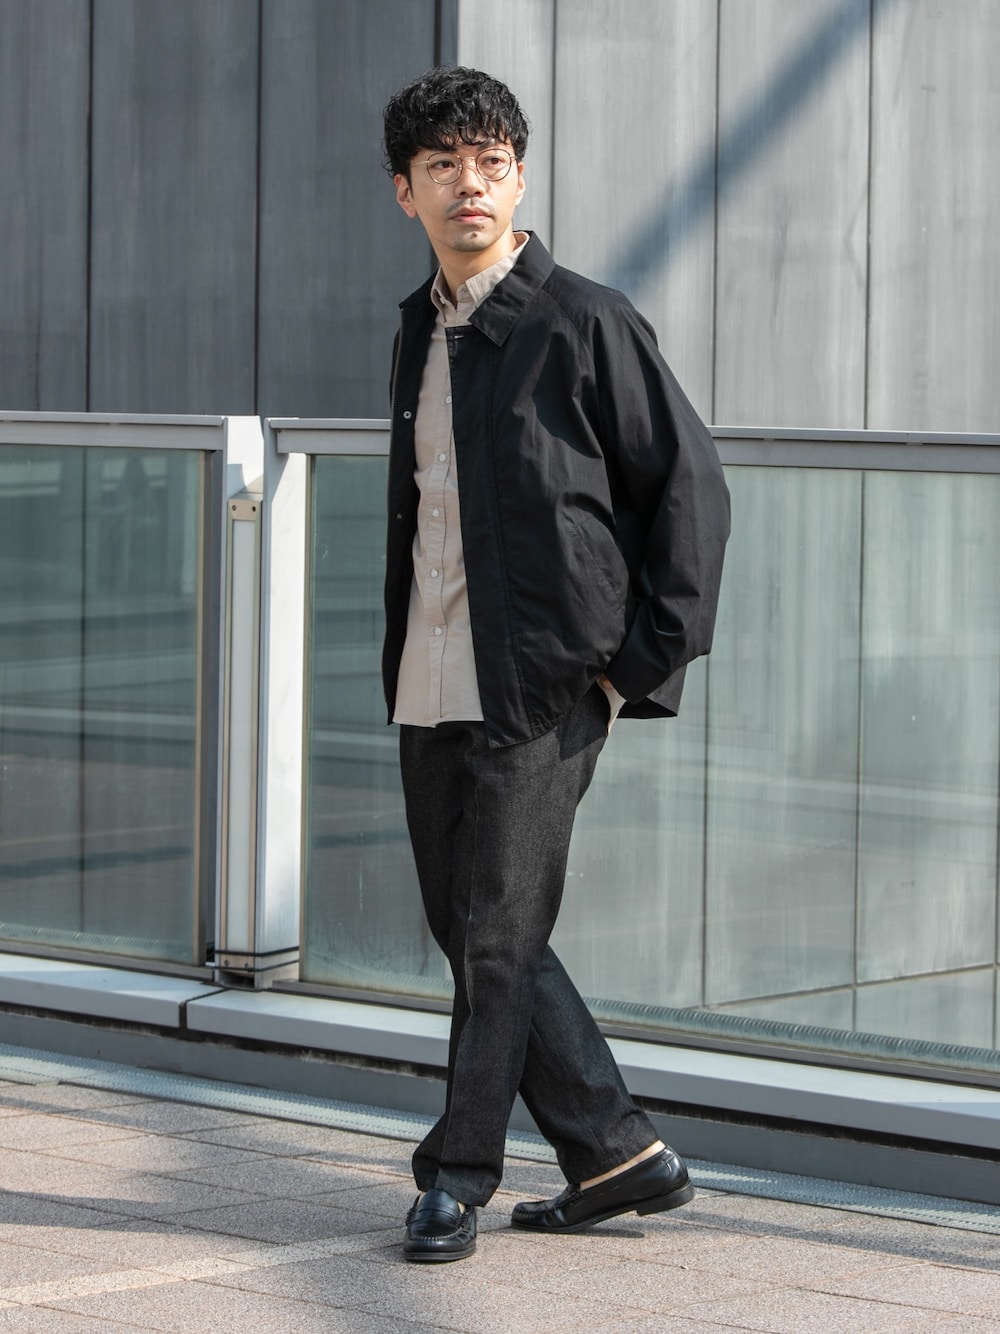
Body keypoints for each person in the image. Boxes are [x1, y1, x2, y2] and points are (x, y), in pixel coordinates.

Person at [381, 65, 730, 1263]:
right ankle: (617, 1148)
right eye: (442, 166)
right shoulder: (419, 329)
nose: (467, 185)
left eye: (489, 163)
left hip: (545, 682)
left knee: (494, 933)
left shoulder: (584, 319)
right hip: (431, 669)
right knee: (474, 922)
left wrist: (629, 669)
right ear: (406, 192)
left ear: (519, 178)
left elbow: (691, 490)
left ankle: (456, 1177)